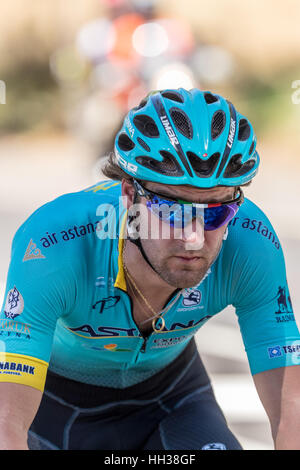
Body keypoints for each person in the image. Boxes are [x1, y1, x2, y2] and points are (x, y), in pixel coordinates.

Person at [1, 88, 300, 451]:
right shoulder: (54, 245)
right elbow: (7, 426)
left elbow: (291, 413)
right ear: (128, 193)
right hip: (51, 407)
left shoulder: (251, 243)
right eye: (172, 210)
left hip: (170, 401)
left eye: (216, 211)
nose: (193, 238)